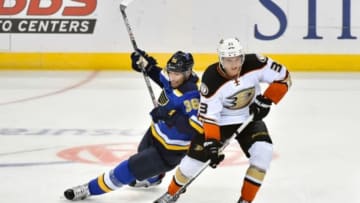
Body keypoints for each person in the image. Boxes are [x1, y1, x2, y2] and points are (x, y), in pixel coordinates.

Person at [154, 37, 292, 203]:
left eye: (237, 59)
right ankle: (171, 193)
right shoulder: (211, 79)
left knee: (263, 153)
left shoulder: (256, 62)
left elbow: (284, 77)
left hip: (250, 118)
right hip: (220, 122)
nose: (234, 64)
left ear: (242, 56)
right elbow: (210, 117)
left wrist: (268, 99)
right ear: (221, 60)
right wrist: (212, 144)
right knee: (191, 164)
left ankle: (246, 200)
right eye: (228, 60)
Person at [63, 50, 203, 201]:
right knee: (141, 154)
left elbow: (196, 128)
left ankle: (88, 189)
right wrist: (145, 65)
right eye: (171, 72)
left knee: (127, 171)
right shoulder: (174, 78)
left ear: (188, 72)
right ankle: (154, 178)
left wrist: (171, 117)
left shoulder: (192, 96)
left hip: (168, 152)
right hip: (154, 135)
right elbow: (161, 77)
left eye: (177, 74)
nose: (172, 77)